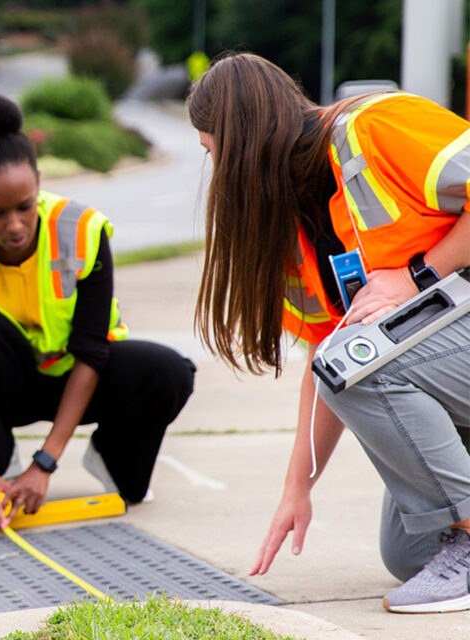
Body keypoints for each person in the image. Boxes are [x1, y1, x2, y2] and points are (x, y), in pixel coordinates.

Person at [187, 52, 470, 613]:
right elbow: (329, 361)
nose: (213, 167)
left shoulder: (378, 128)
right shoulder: (289, 222)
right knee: (409, 549)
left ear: (241, 140)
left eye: (211, 149)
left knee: (365, 362)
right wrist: (298, 488)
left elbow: (354, 361)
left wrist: (420, 274)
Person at [0, 94, 195, 530]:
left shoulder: (82, 232)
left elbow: (92, 351)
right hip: (4, 390)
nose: (14, 225)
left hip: (79, 380)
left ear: (39, 183)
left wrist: (46, 463)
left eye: (25, 206)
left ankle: (110, 455)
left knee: (170, 372)